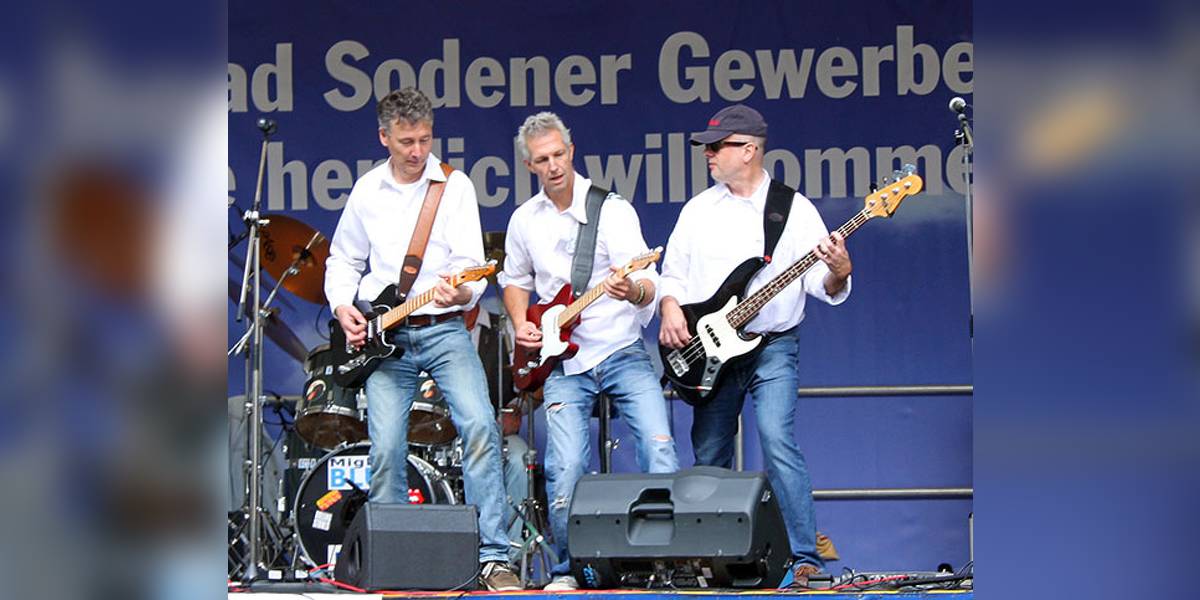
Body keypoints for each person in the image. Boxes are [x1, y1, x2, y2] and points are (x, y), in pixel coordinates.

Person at [324, 87, 520, 591]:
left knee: (480, 426)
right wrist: (343, 306)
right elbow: (343, 259)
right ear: (383, 138)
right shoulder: (367, 191)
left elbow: (472, 270)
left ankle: (493, 557)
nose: (417, 151)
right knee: (386, 448)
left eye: (425, 139)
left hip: (444, 328)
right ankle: (394, 559)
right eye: (406, 141)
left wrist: (463, 291)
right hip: (384, 336)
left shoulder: (454, 187)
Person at [658, 104, 852, 588]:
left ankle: (805, 558)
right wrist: (669, 308)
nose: (707, 154)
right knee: (709, 451)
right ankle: (704, 558)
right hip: (711, 351)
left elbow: (819, 284)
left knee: (776, 437)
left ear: (748, 150)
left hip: (773, 345)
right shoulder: (698, 210)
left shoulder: (794, 209)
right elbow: (672, 275)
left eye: (716, 146)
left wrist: (839, 272)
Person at [500, 112, 680, 591]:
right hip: (563, 362)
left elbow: (648, 280)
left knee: (659, 448)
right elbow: (514, 281)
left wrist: (634, 291)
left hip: (620, 347)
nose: (554, 166)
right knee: (564, 469)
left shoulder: (612, 210)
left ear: (572, 151)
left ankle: (665, 564)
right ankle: (569, 570)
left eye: (559, 154)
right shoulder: (524, 220)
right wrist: (521, 323)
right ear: (529, 164)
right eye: (543, 160)